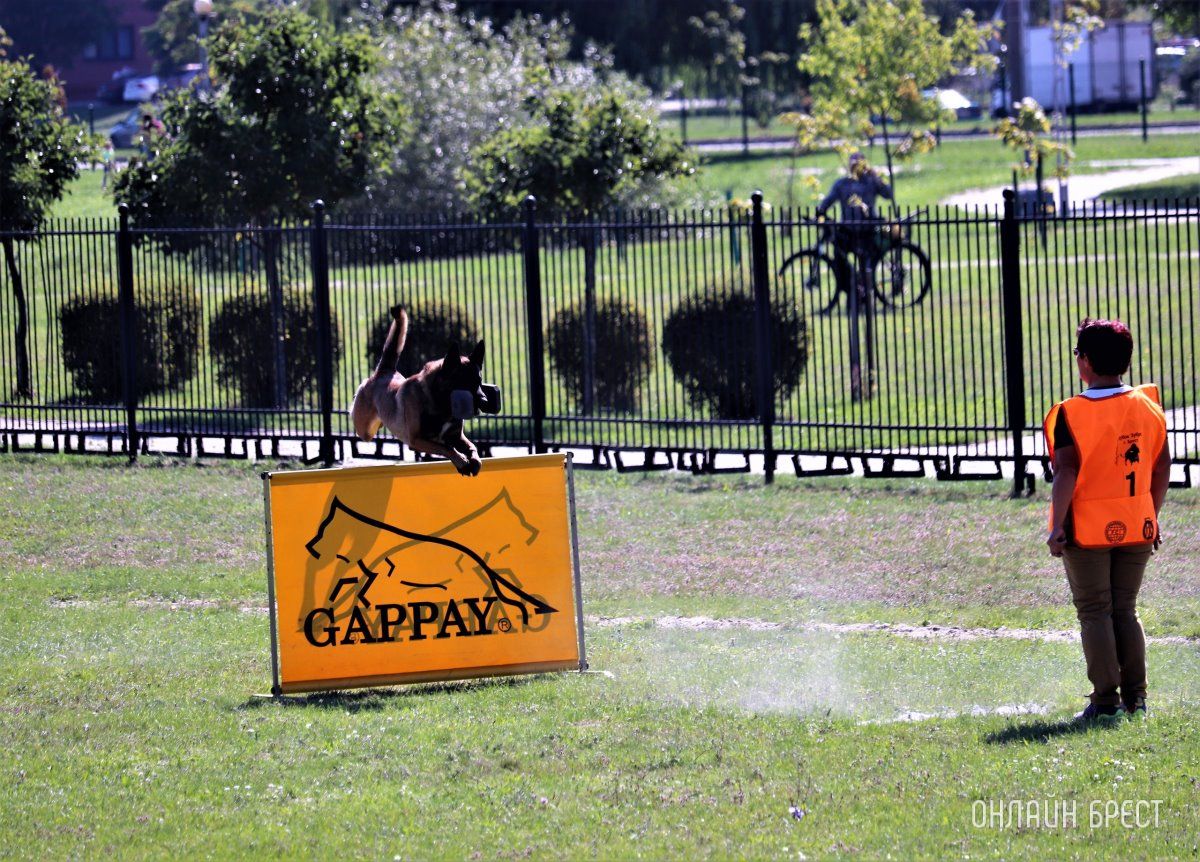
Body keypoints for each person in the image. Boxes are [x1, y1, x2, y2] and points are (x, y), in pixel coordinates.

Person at [1043, 318, 1171, 723]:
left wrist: (1056, 525)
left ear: (1086, 363)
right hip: (1136, 523)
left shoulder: (1071, 412)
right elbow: (1162, 465)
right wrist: (1150, 512)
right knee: (1125, 609)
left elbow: (1066, 472)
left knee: (1095, 610)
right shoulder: (1147, 404)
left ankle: (1104, 703)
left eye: (1078, 353)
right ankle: (1137, 701)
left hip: (1088, 528)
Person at [815, 152, 894, 258]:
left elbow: (888, 194)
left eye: (859, 164)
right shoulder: (842, 184)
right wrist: (820, 211)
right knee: (839, 259)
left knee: (867, 265)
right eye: (853, 164)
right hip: (847, 230)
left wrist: (876, 177)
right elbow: (828, 201)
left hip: (868, 229)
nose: (856, 167)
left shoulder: (872, 181)